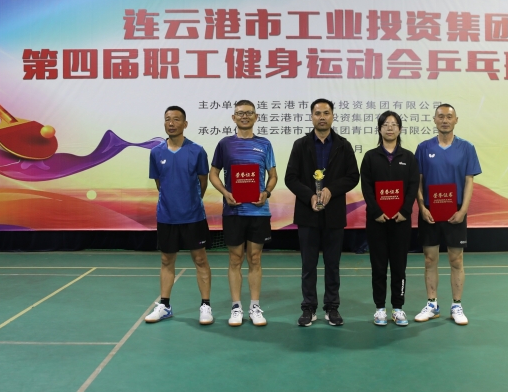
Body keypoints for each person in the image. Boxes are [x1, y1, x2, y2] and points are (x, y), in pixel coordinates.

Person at [285, 98, 360, 327]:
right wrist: (309, 195)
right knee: (308, 265)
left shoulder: (343, 145)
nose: (322, 117)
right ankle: (308, 308)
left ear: (333, 116)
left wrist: (330, 190)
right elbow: (291, 178)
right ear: (311, 117)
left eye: (326, 113)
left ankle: (332, 307)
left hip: (334, 213)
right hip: (307, 214)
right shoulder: (300, 145)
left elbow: (353, 176)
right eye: (317, 113)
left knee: (332, 265)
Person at [208, 100, 277, 327]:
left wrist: (266, 192)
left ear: (256, 117)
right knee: (235, 259)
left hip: (259, 212)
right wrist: (225, 193)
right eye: (240, 113)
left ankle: (255, 306)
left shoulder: (264, 144)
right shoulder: (225, 144)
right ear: (233, 117)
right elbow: (213, 173)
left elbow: (273, 176)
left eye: (249, 113)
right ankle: (236, 306)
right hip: (234, 211)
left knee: (255, 259)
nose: (244, 116)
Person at [145, 106, 214, 325]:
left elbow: (202, 182)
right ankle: (165, 305)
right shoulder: (156, 153)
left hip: (193, 216)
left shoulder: (197, 151)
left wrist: (190, 201)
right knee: (166, 260)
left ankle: (205, 306)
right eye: (167, 119)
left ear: (185, 124)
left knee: (200, 259)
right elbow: (160, 184)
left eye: (176, 119)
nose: (171, 123)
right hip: (167, 217)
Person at [414, 104, 482, 325]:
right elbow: (418, 182)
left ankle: (457, 305)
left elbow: (469, 181)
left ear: (456, 120)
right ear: (434, 120)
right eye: (441, 117)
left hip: (455, 211)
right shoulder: (423, 148)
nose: (445, 120)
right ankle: (432, 304)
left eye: (449, 117)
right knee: (429, 259)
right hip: (430, 211)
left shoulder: (467, 148)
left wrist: (463, 211)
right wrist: (422, 207)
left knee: (456, 259)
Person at [360, 111, 419, 326]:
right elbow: (366, 187)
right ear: (379, 129)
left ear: (400, 129)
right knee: (378, 266)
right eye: (385, 124)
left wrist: (405, 211)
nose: (390, 128)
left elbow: (413, 185)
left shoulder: (408, 157)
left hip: (401, 221)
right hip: (377, 222)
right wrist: (376, 212)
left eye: (394, 124)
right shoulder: (370, 157)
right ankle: (379, 309)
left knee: (399, 266)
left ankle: (398, 308)